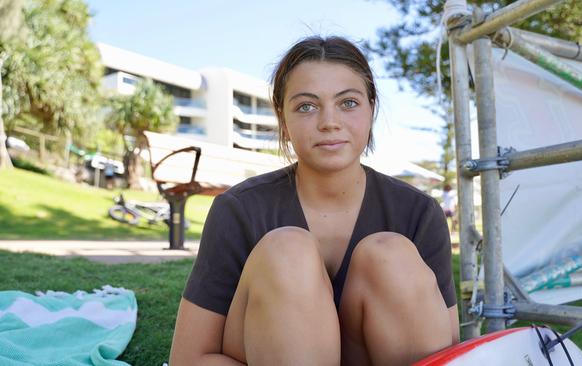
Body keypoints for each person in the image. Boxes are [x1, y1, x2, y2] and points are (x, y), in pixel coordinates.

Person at [169, 36, 459, 366]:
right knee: (287, 250)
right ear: (283, 120)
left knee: (391, 255)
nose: (329, 122)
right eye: (307, 106)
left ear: (371, 109)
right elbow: (190, 359)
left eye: (348, 102)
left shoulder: (419, 214)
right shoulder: (238, 210)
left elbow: (450, 354)